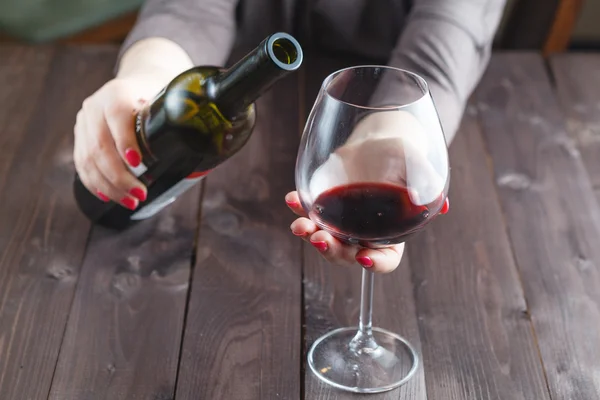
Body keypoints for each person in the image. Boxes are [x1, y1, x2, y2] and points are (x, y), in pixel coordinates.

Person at [73, 0, 507, 272]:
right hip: (252, 97)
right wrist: (147, 83)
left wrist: (396, 140)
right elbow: (188, 10)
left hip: (383, 96)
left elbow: (445, 39)